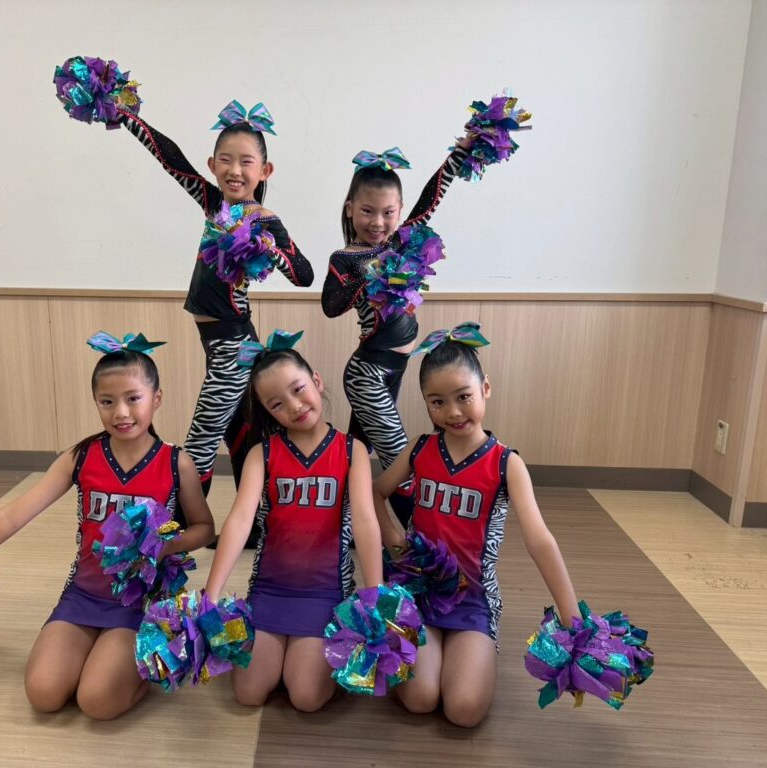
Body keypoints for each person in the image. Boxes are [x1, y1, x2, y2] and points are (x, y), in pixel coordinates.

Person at [0, 332, 214, 720]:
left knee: (97, 701)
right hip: (82, 596)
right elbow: (12, 516)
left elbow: (204, 528)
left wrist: (163, 546)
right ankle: (98, 655)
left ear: (157, 398)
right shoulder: (81, 457)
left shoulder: (176, 463)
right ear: (96, 402)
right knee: (43, 694)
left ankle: (144, 668)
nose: (121, 412)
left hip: (138, 603)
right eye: (107, 401)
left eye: (133, 398)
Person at [372, 322, 579, 727]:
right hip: (420, 593)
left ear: (485, 388)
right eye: (437, 402)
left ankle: (469, 652)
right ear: (426, 404)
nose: (452, 412)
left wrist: (573, 619)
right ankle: (433, 654)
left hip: (473, 599)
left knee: (463, 710)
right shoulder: (420, 449)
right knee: (420, 698)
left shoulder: (506, 463)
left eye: (463, 396)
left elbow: (540, 541)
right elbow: (374, 493)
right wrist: (395, 542)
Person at [114, 99, 314, 497]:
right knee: (242, 434)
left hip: (232, 345)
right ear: (212, 164)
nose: (235, 170)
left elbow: (303, 274)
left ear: (265, 170)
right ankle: (255, 520)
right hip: (219, 342)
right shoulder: (215, 205)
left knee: (200, 445)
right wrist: (127, 116)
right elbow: (171, 160)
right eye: (225, 160)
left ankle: (179, 525)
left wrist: (270, 250)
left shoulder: (264, 219)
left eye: (246, 162)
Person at [203, 330, 383, 712]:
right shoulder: (261, 454)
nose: (295, 406)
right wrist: (211, 595)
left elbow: (366, 522)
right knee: (248, 693)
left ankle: (307, 661)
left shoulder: (352, 451)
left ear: (316, 381)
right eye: (277, 404)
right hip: (270, 590)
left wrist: (376, 594)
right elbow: (239, 520)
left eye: (299, 389)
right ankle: (287, 658)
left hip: (325, 594)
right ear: (268, 412)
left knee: (307, 697)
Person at [321, 140, 471, 527]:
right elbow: (330, 306)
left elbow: (433, 195)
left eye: (388, 213)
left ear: (400, 211)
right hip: (367, 374)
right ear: (350, 208)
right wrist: (368, 276)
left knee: (355, 456)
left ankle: (338, 528)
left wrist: (462, 150)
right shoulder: (345, 258)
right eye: (367, 211)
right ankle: (421, 541)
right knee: (400, 461)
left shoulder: (402, 242)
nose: (377, 222)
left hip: (394, 370)